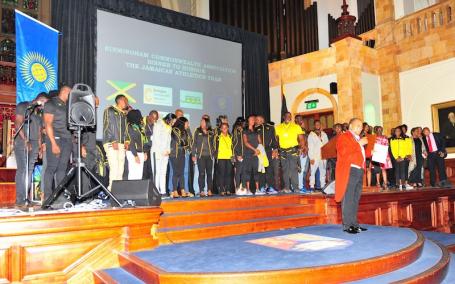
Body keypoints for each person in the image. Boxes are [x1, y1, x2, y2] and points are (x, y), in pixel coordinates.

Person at [335, 118, 368, 234]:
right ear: (350, 126)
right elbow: (344, 151)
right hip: (350, 170)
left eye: (361, 126)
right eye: (358, 125)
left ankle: (354, 224)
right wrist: (359, 144)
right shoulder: (344, 137)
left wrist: (370, 153)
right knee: (348, 197)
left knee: (355, 198)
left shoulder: (357, 138)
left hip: (359, 170)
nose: (360, 128)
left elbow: (358, 153)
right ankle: (347, 225)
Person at [14, 92, 48, 205]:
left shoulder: (39, 113)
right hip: (22, 142)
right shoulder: (23, 106)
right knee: (23, 170)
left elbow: (39, 131)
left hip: (34, 144)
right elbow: (18, 123)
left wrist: (39, 147)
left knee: (29, 170)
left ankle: (26, 198)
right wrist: (25, 140)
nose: (45, 106)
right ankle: (20, 199)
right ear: (40, 100)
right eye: (44, 103)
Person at [42, 86, 73, 199]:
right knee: (51, 167)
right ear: (65, 92)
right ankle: (47, 198)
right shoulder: (51, 103)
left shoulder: (68, 106)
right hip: (55, 138)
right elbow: (48, 124)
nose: (71, 96)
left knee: (62, 169)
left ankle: (60, 197)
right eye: (70, 93)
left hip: (67, 140)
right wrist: (53, 143)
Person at [103, 94, 129, 189]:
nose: (127, 103)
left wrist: (126, 141)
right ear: (121, 101)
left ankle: (118, 190)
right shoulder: (109, 110)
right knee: (114, 167)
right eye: (126, 101)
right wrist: (113, 140)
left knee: (120, 168)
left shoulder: (123, 114)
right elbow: (107, 125)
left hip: (121, 144)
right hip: (111, 142)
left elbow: (125, 129)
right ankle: (111, 190)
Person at [275, 112, 304, 193]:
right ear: (283, 117)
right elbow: (276, 139)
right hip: (283, 152)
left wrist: (301, 148)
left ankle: (296, 188)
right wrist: (276, 150)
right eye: (287, 116)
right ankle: (287, 188)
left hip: (293, 151)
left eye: (290, 116)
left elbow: (301, 138)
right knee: (285, 170)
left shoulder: (296, 126)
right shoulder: (278, 127)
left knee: (294, 169)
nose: (288, 117)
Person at [151, 113, 174, 196]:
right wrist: (162, 150)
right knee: (156, 172)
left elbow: (169, 140)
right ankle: (156, 192)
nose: (173, 123)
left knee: (163, 172)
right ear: (169, 119)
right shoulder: (159, 124)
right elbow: (156, 139)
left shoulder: (169, 127)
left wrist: (168, 150)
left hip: (165, 154)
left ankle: (163, 191)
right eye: (173, 121)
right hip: (157, 152)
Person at [256, 115, 279, 194]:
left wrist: (275, 149)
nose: (257, 121)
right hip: (259, 151)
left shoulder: (270, 127)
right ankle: (262, 187)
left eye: (259, 119)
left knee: (270, 169)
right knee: (261, 170)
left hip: (268, 150)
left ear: (263, 119)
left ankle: (271, 187)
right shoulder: (255, 129)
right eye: (256, 120)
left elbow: (274, 139)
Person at [192, 117, 215, 197]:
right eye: (201, 122)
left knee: (209, 174)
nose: (201, 123)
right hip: (200, 156)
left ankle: (209, 190)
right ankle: (201, 190)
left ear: (207, 123)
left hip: (209, 156)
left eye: (203, 122)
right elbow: (194, 143)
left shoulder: (211, 132)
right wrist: (193, 154)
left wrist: (214, 153)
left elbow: (214, 144)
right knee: (201, 174)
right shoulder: (197, 131)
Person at [170, 116, 190, 198]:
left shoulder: (185, 131)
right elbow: (180, 141)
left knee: (181, 173)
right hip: (174, 154)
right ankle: (174, 191)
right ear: (182, 123)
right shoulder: (174, 129)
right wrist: (184, 143)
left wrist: (184, 143)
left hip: (182, 153)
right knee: (176, 172)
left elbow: (187, 143)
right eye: (187, 123)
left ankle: (182, 190)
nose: (188, 125)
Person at [125, 109, 148, 180]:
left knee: (139, 174)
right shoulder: (129, 126)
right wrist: (135, 155)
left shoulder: (140, 127)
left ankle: (137, 190)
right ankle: (131, 190)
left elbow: (144, 140)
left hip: (140, 152)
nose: (140, 117)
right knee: (133, 173)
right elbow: (131, 142)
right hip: (132, 152)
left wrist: (145, 152)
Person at [242, 115, 262, 195]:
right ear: (248, 121)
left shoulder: (256, 131)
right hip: (248, 154)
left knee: (256, 171)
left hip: (256, 154)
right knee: (248, 171)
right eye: (251, 119)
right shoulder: (245, 131)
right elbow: (246, 142)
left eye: (254, 119)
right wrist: (254, 149)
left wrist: (258, 150)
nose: (253, 120)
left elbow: (260, 142)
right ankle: (248, 190)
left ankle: (257, 189)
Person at [307, 120, 329, 191]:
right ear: (314, 126)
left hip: (323, 156)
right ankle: (312, 186)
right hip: (315, 156)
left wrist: (326, 155)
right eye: (316, 124)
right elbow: (310, 147)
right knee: (313, 172)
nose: (317, 125)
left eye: (319, 124)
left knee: (323, 172)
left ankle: (323, 186)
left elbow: (327, 145)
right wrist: (311, 158)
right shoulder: (311, 135)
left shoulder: (324, 134)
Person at [215, 122, 233, 195]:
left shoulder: (231, 136)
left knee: (228, 174)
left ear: (228, 128)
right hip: (221, 157)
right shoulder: (218, 137)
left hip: (229, 157)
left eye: (226, 127)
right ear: (221, 129)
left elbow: (232, 147)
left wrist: (233, 156)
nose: (224, 129)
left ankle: (228, 189)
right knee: (222, 174)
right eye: (223, 128)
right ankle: (222, 190)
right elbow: (214, 146)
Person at [372, 126, 391, 190]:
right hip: (376, 154)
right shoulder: (373, 137)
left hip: (384, 154)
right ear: (376, 130)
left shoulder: (385, 137)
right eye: (378, 130)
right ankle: (378, 183)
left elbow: (387, 146)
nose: (380, 131)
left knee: (384, 169)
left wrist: (387, 156)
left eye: (381, 130)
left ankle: (385, 183)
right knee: (377, 170)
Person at [232, 117, 246, 194]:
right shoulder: (236, 130)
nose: (244, 124)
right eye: (243, 123)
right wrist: (236, 155)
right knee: (238, 172)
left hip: (245, 154)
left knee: (244, 172)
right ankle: (237, 188)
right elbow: (234, 144)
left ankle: (243, 188)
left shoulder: (244, 131)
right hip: (239, 155)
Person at [143, 110, 158, 179]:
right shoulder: (142, 123)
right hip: (144, 149)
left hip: (153, 149)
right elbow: (142, 137)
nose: (155, 120)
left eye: (156, 119)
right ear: (149, 116)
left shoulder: (155, 125)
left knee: (152, 170)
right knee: (144, 170)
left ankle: (151, 187)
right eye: (153, 118)